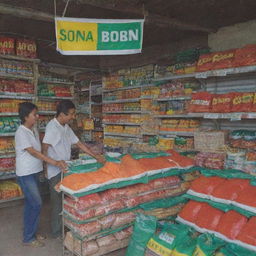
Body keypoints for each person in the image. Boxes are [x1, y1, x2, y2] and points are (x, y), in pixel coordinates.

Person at [42, 100, 105, 239]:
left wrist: (96, 156)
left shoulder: (66, 127)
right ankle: (56, 232)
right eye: (71, 114)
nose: (73, 117)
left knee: (66, 200)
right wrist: (46, 167)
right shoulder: (52, 127)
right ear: (62, 114)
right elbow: (44, 147)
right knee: (57, 202)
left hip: (66, 170)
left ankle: (64, 226)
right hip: (55, 172)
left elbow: (79, 144)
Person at [15, 102, 67, 247]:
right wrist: (54, 162)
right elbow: (34, 152)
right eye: (34, 114)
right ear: (26, 116)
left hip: (34, 172)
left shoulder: (34, 129)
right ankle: (28, 238)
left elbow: (41, 149)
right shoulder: (21, 132)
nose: (37, 117)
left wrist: (45, 167)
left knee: (31, 204)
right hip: (25, 174)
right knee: (36, 203)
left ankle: (31, 232)